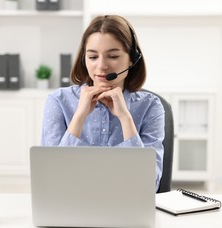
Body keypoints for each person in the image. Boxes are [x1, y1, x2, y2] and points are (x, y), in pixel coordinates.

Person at [41, 15, 165, 190]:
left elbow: (148, 186)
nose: (101, 66)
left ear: (132, 59)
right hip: (71, 208)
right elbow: (51, 179)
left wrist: (125, 118)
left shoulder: (151, 106)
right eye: (92, 57)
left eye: (113, 56)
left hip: (128, 210)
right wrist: (79, 117)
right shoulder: (58, 101)